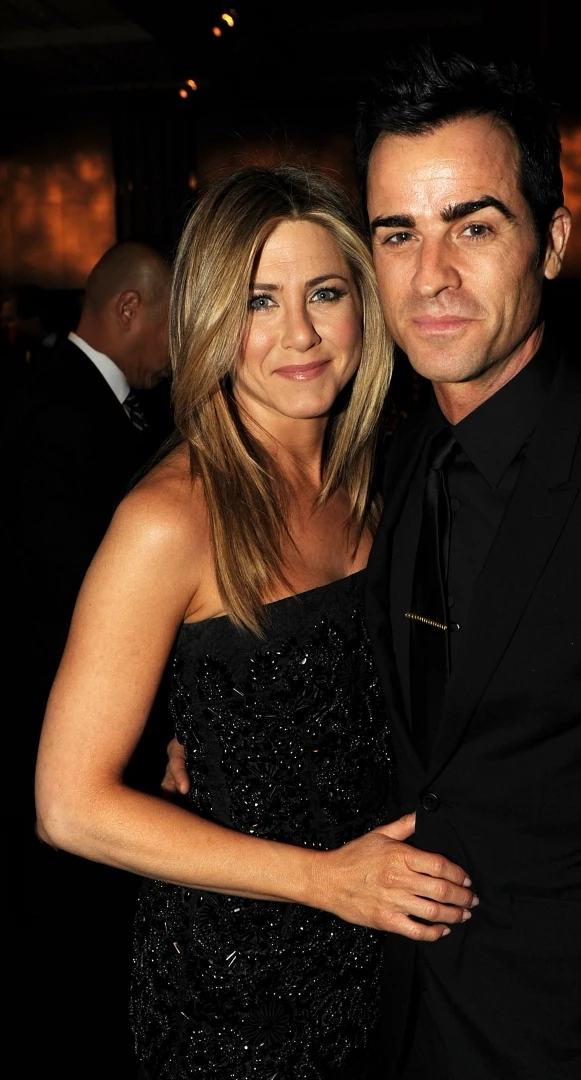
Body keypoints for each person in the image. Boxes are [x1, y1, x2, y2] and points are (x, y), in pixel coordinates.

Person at [163, 51, 581, 1080]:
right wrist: (198, 715)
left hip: (580, 1042)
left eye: (472, 226)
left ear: (552, 242)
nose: (431, 276)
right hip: (385, 1018)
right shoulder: (390, 461)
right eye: (397, 234)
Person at [35, 166, 478, 1080]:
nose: (300, 334)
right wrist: (326, 880)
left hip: (389, 962)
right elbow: (68, 807)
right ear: (208, 320)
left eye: (325, 293)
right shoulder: (169, 518)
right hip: (239, 989)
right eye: (258, 302)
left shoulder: (383, 479)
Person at [7, 240, 174, 1076]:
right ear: (130, 310)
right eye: (174, 323)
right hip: (65, 734)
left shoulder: (98, 404)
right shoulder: (57, 414)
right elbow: (70, 598)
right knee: (72, 961)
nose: (178, 348)